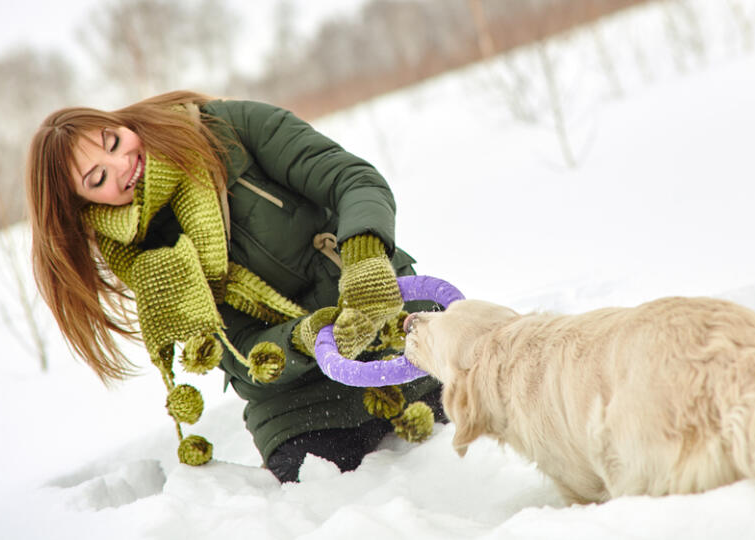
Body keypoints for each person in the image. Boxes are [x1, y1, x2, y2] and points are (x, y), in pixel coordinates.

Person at [26, 90, 444, 482]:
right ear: (84, 206)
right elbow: (240, 353)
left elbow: (351, 179)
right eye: (98, 178)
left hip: (394, 324)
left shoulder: (230, 129)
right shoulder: (142, 259)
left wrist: (365, 258)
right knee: (324, 495)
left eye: (113, 141)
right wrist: (306, 338)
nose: (123, 165)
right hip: (300, 402)